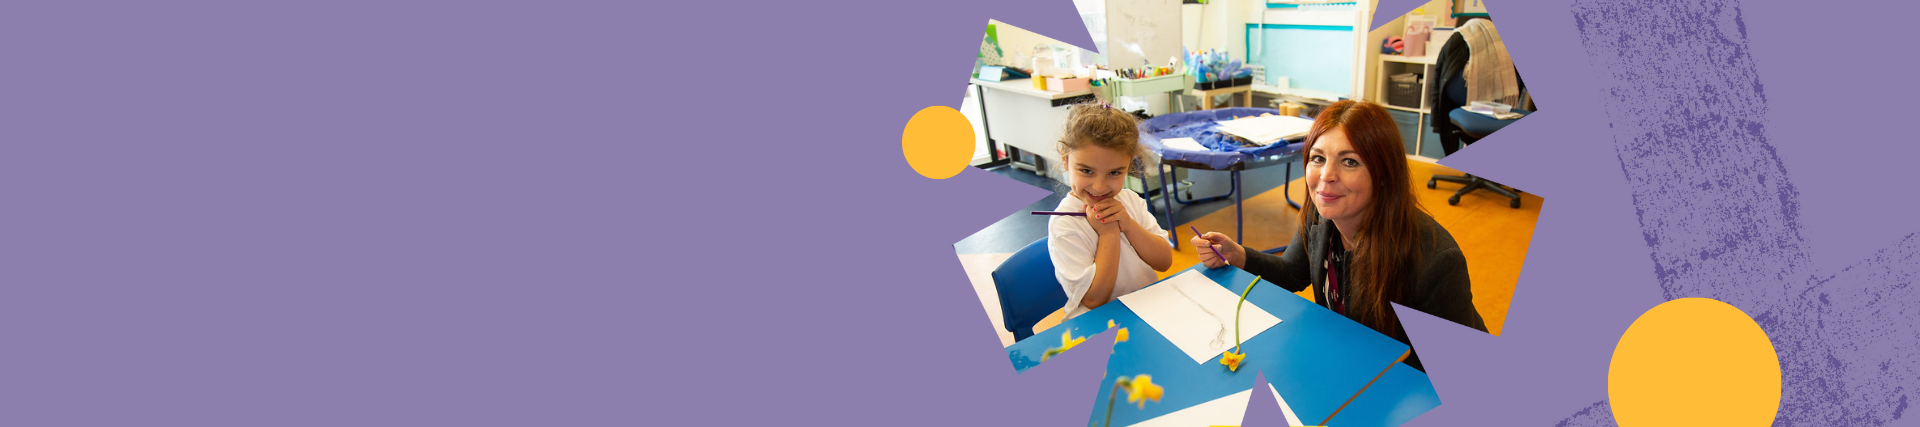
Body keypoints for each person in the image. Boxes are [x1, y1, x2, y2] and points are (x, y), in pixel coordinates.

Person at [1191, 100, 1486, 371]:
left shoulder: (1435, 261)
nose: (1326, 176)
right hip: (1354, 364)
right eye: (1317, 158)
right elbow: (1293, 273)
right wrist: (1237, 254)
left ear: (1384, 176)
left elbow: (1447, 371)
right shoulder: (1321, 215)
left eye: (1349, 162)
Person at [1049, 103, 1173, 320]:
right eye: (1086, 171)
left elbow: (1164, 262)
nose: (1099, 186)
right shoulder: (1064, 223)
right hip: (1097, 325)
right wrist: (1108, 233)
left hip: (1145, 310)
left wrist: (1128, 224)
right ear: (1065, 158)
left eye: (1115, 172)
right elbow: (1094, 300)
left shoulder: (1131, 201)